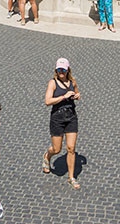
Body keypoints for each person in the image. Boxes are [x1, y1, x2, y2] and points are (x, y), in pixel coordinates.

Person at [42, 57, 81, 189]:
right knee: (57, 149)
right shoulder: (53, 83)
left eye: (63, 70)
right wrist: (63, 97)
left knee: (71, 148)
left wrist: (76, 96)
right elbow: (47, 101)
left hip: (71, 117)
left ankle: (71, 177)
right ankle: (47, 155)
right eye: (59, 69)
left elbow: (77, 93)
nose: (61, 72)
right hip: (57, 118)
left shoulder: (72, 82)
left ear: (67, 69)